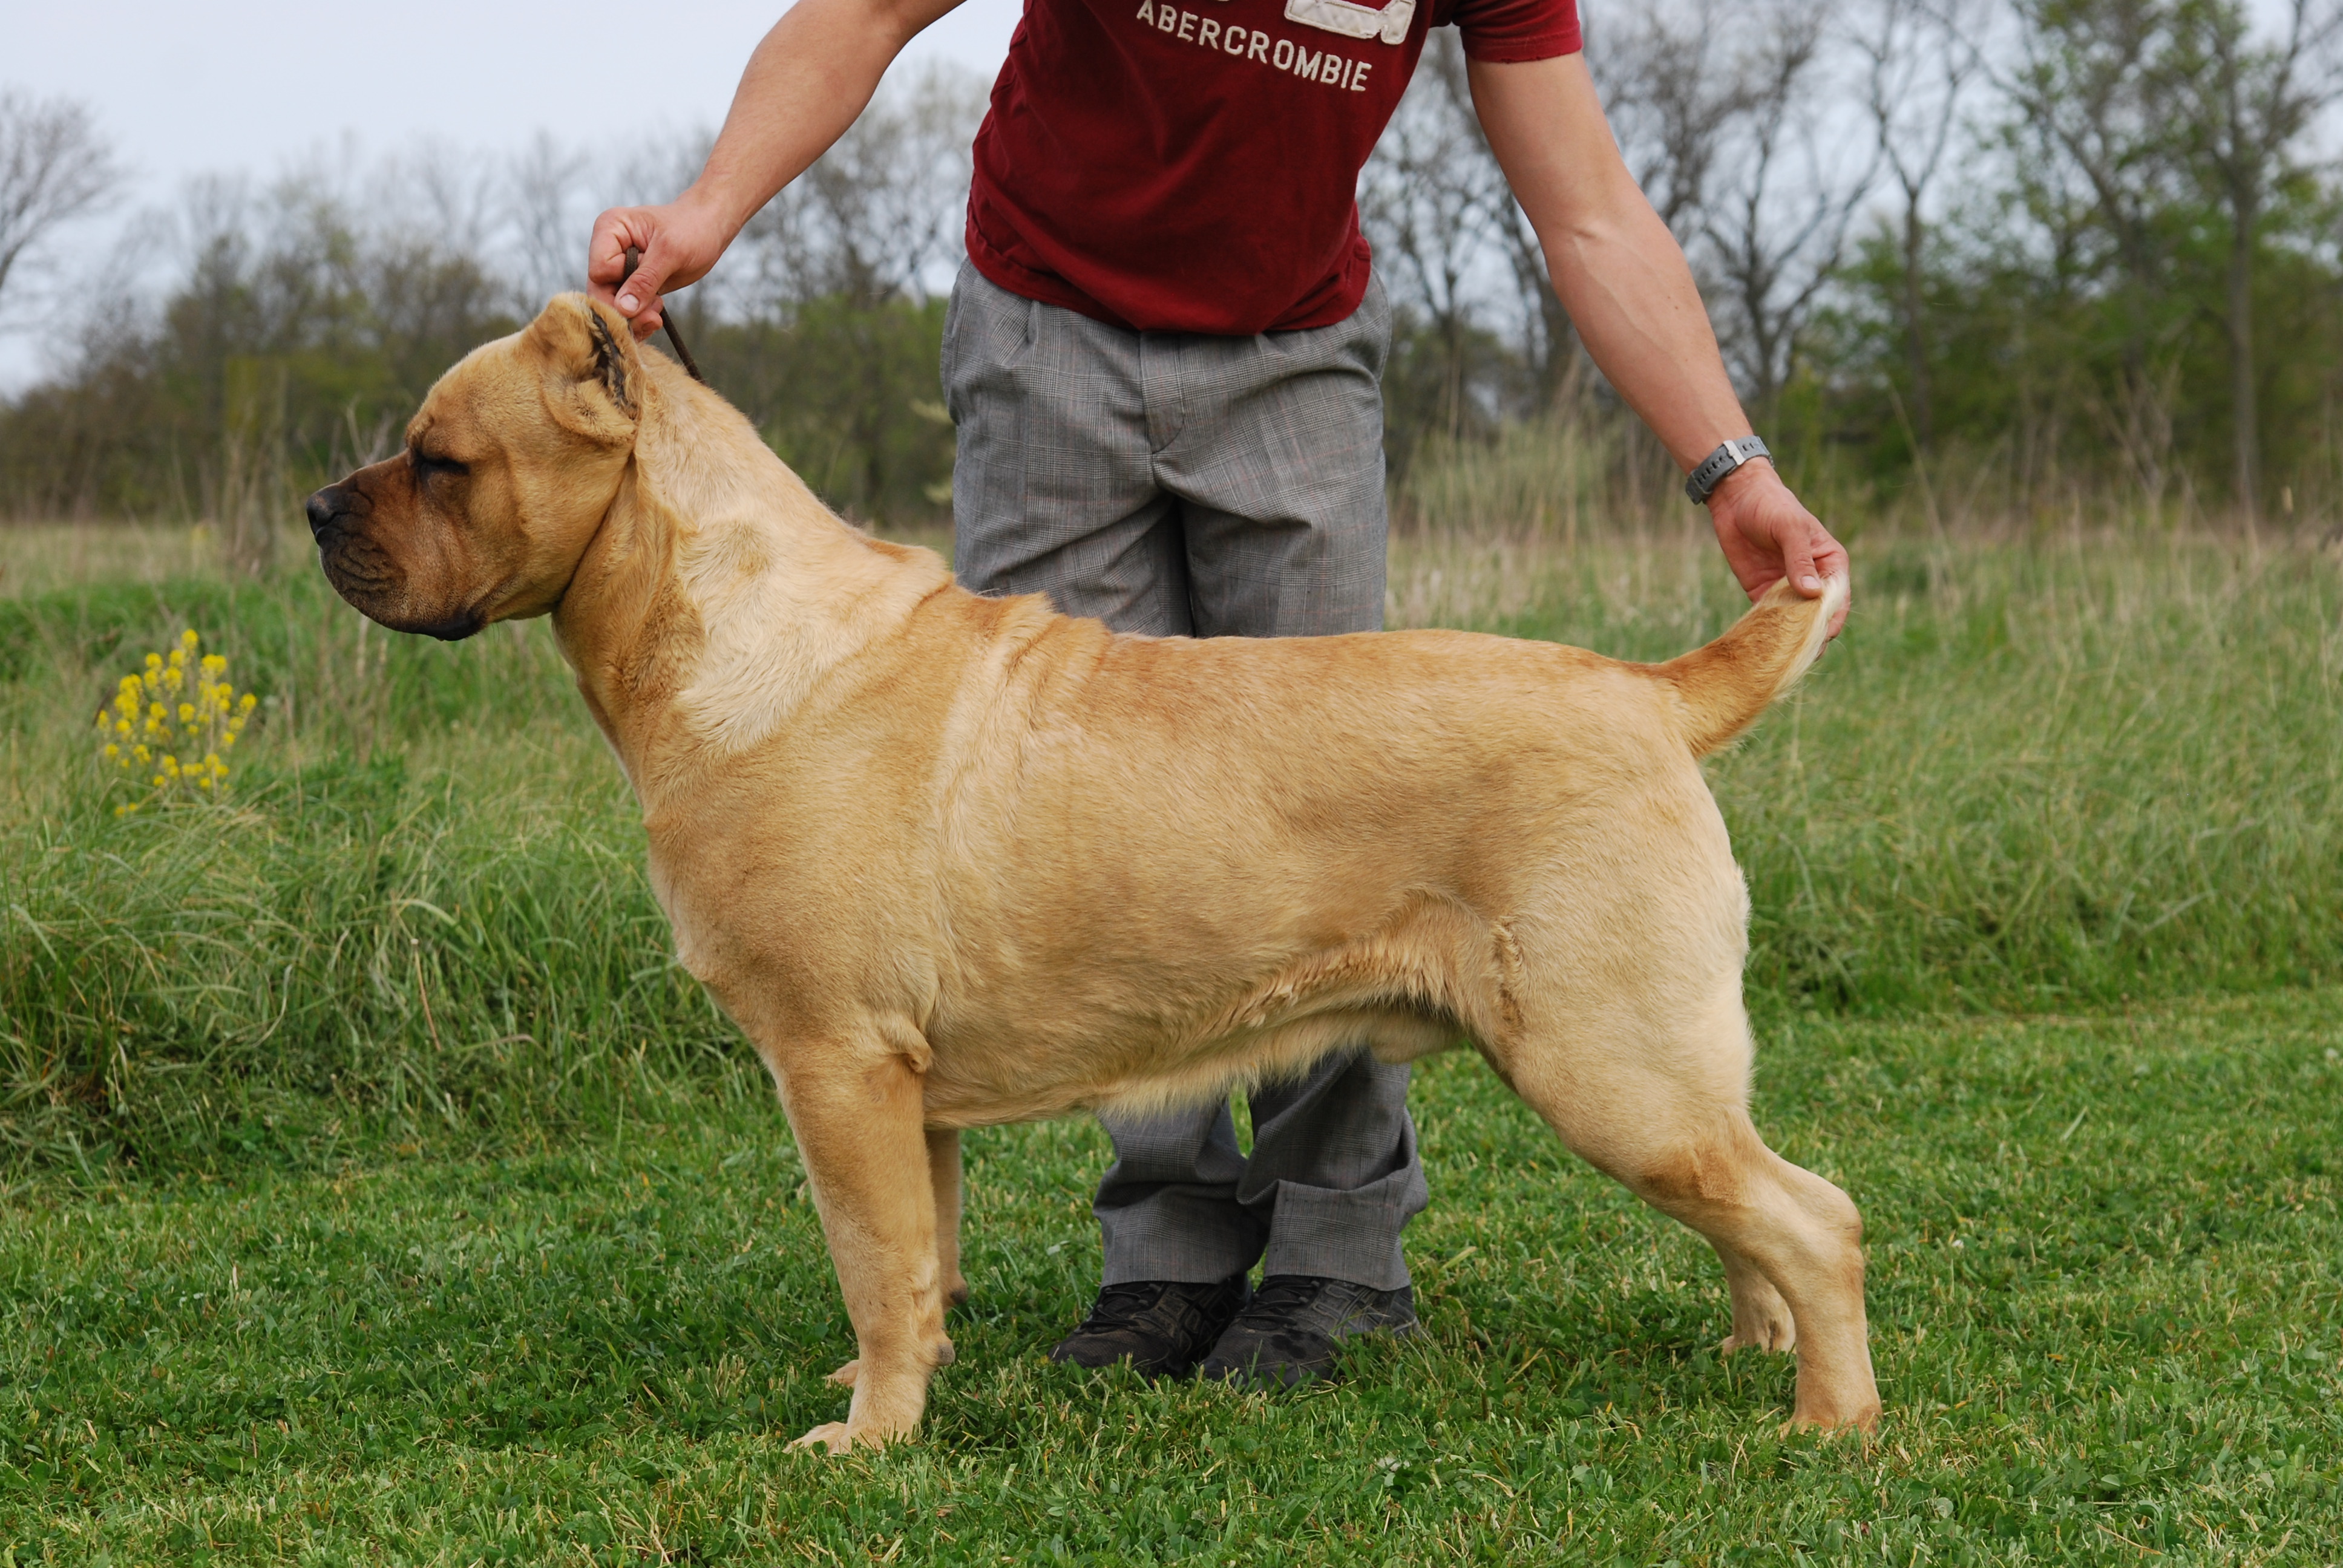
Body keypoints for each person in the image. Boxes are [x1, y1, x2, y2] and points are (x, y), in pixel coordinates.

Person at [588, 0, 1850, 1392]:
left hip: (1289, 348)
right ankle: (1167, 1264)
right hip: (1044, 328)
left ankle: (1338, 1263)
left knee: (1341, 823)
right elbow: (871, 11)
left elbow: (1591, 207)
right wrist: (712, 205)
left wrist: (1729, 466)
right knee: (1068, 844)